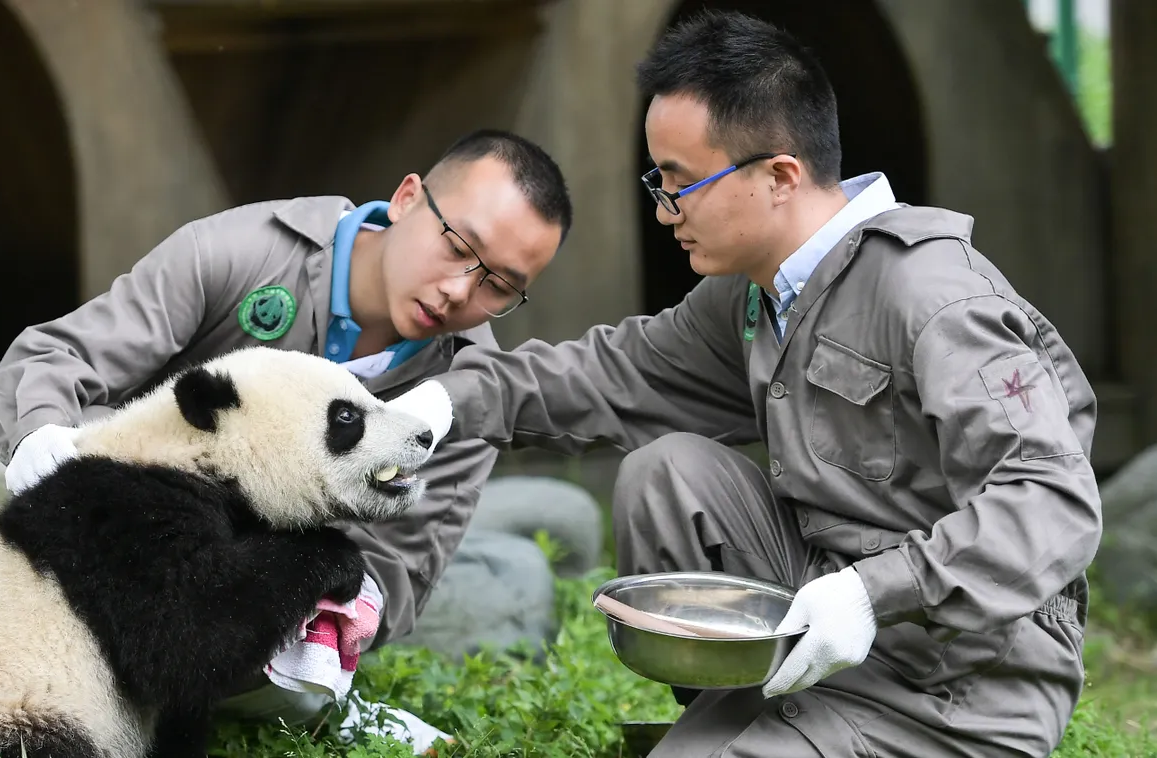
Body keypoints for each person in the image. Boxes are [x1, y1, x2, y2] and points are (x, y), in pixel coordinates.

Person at [393, 10, 1100, 757]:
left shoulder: (931, 295)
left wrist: (871, 593)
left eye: (683, 183)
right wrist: (441, 402)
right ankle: (761, 713)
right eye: (656, 180)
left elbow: (1050, 501)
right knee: (667, 473)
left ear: (780, 176)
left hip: (960, 683)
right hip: (825, 631)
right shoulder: (757, 296)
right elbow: (612, 373)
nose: (664, 211)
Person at [0, 128, 573, 747]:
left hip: (260, 601)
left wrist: (325, 617)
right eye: (456, 245)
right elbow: (53, 360)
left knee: (301, 648)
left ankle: (303, 703)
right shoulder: (238, 252)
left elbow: (402, 565)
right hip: (125, 533)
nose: (458, 290)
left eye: (498, 285)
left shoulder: (469, 390)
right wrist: (43, 445)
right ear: (407, 198)